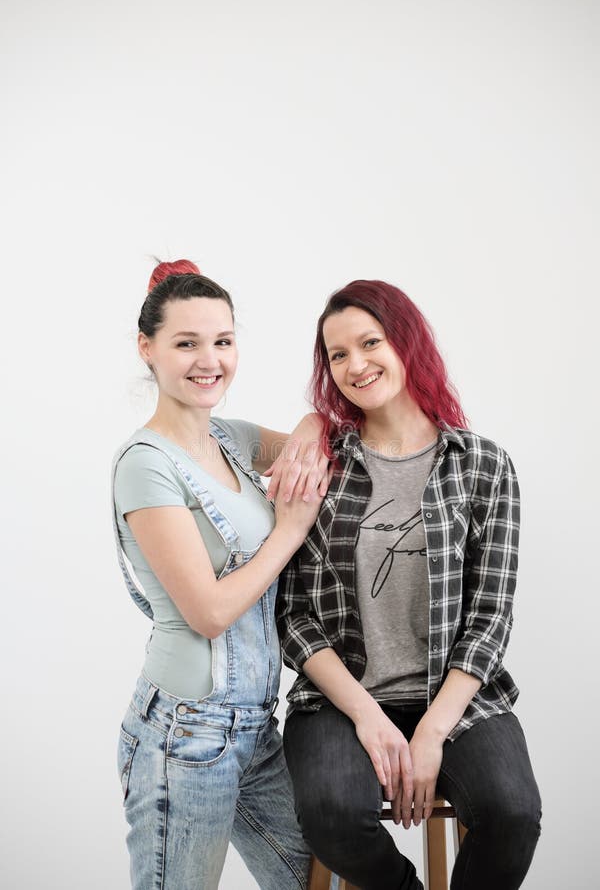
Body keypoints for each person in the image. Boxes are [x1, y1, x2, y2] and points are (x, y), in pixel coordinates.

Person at [277, 280, 542, 890]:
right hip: (341, 701)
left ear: (407, 342)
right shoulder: (324, 465)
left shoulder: (483, 465)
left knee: (512, 814)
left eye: (370, 343)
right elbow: (293, 616)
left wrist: (430, 732)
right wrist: (368, 715)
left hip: (458, 697)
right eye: (337, 355)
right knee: (332, 815)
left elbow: (490, 616)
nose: (355, 365)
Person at [112, 260, 326, 890]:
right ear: (147, 348)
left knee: (326, 877)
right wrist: (288, 528)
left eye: (223, 341)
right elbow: (207, 612)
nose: (210, 361)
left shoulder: (230, 439)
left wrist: (313, 421)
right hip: (184, 734)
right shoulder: (145, 465)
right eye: (187, 343)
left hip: (256, 731)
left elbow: (322, 443)